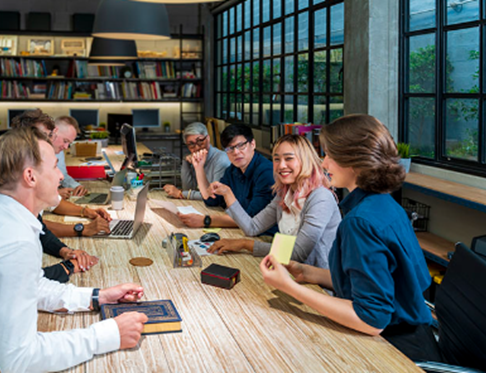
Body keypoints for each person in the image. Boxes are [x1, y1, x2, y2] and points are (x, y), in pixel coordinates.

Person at [0, 127, 148, 372]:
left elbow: (32, 285)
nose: (59, 176)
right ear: (30, 177)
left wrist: (97, 297)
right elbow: (20, 360)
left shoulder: (2, 212)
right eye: (55, 167)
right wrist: (107, 335)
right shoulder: (11, 241)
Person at [259, 114, 440, 362]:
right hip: (417, 335)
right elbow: (377, 283)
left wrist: (289, 287)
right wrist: (309, 273)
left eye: (330, 156)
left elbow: (371, 319)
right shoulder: (384, 204)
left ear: (354, 162)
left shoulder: (359, 223)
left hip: (396, 351)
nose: (324, 164)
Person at [208, 134, 341, 268]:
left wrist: (245, 244)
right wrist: (228, 194)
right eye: (276, 159)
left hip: (318, 285)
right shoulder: (284, 194)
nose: (281, 165)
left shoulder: (320, 197)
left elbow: (298, 253)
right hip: (287, 270)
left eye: (289, 158)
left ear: (305, 160)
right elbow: (252, 227)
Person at [12, 109, 112, 238]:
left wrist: (86, 212)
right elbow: (33, 226)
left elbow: (55, 203)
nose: (50, 139)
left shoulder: (36, 159)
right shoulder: (19, 170)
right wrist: (81, 229)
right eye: (47, 136)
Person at [178, 124, 276, 232]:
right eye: (230, 148)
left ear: (252, 144)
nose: (236, 152)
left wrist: (205, 220)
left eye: (241, 145)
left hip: (266, 238)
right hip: (242, 232)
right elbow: (212, 199)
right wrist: (199, 167)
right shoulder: (233, 170)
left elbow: (249, 220)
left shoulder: (266, 172)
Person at [163, 122, 230, 200]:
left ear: (208, 138)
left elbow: (213, 196)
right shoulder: (195, 158)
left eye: (200, 141)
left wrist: (180, 194)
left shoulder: (221, 160)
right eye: (191, 144)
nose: (197, 147)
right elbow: (188, 188)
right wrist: (186, 162)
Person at [54, 115, 88, 198]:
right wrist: (55, 194)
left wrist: (76, 186)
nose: (66, 147)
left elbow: (63, 176)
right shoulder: (31, 152)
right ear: (54, 131)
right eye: (65, 141)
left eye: (69, 143)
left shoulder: (58, 150)